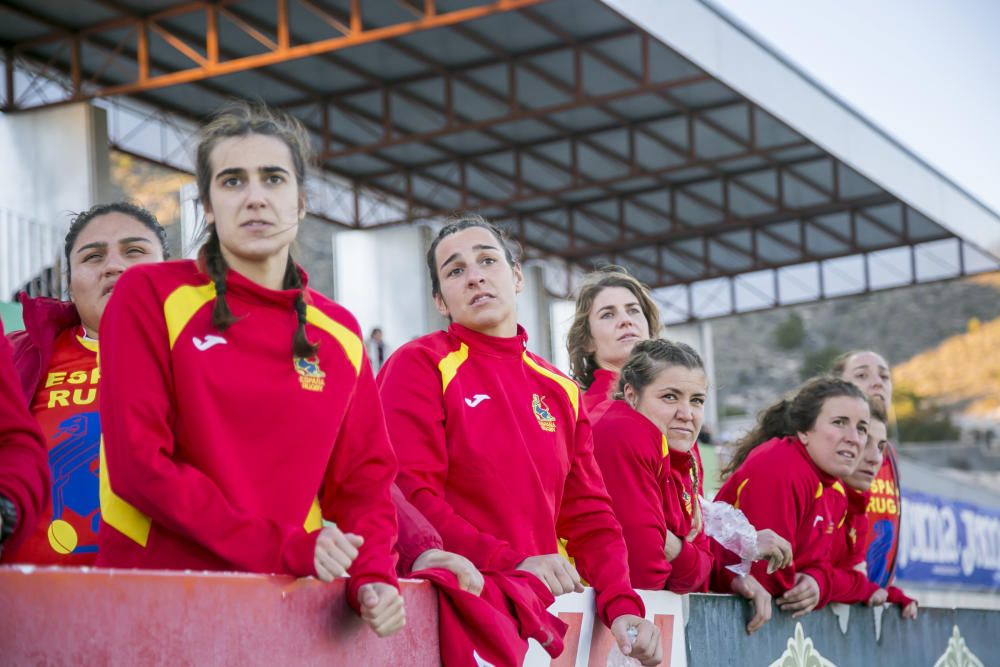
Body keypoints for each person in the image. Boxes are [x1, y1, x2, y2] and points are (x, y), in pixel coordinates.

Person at [95, 101, 404, 637]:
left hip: (284, 615)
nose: (255, 196)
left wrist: (372, 574)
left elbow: (364, 484)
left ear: (302, 201)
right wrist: (283, 547)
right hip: (156, 610)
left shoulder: (340, 334)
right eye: (233, 181)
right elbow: (139, 466)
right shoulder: (149, 295)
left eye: (273, 179)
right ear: (208, 206)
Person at [378, 216, 662, 665]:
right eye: (455, 271)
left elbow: (589, 516)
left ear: (515, 277)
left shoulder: (559, 389)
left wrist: (622, 605)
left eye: (487, 261)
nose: (474, 275)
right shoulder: (419, 365)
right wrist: (509, 560)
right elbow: (408, 494)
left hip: (536, 623)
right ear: (440, 300)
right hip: (450, 616)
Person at [4, 202, 168, 564]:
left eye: (135, 251)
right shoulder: (16, 354)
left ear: (169, 275)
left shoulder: (202, 359)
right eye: (93, 257)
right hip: (24, 597)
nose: (113, 266)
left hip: (161, 597)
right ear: (70, 286)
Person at [591, 339, 777, 634]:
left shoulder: (685, 455)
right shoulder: (622, 432)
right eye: (670, 397)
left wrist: (677, 548)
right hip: (604, 627)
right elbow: (645, 575)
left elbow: (699, 567)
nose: (687, 413)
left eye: (697, 400)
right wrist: (685, 554)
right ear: (631, 394)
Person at [716, 377, 870, 618]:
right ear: (804, 432)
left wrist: (819, 581)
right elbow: (773, 581)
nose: (854, 437)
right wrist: (838, 584)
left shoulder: (836, 488)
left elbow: (823, 567)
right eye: (840, 422)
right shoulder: (781, 467)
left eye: (862, 428)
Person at [830, 405, 918, 618]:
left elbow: (852, 580)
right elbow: (808, 577)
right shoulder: (819, 496)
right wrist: (867, 589)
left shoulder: (858, 504)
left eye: (880, 447)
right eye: (864, 440)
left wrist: (887, 593)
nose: (875, 458)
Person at [831, 350, 902, 588]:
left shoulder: (889, 455)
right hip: (837, 593)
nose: (876, 383)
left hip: (872, 598)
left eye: (884, 376)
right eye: (862, 375)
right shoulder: (829, 451)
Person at [0, 321, 50, 558]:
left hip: (141, 583)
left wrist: (4, 511)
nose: (111, 280)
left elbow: (14, 443)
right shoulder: (25, 350)